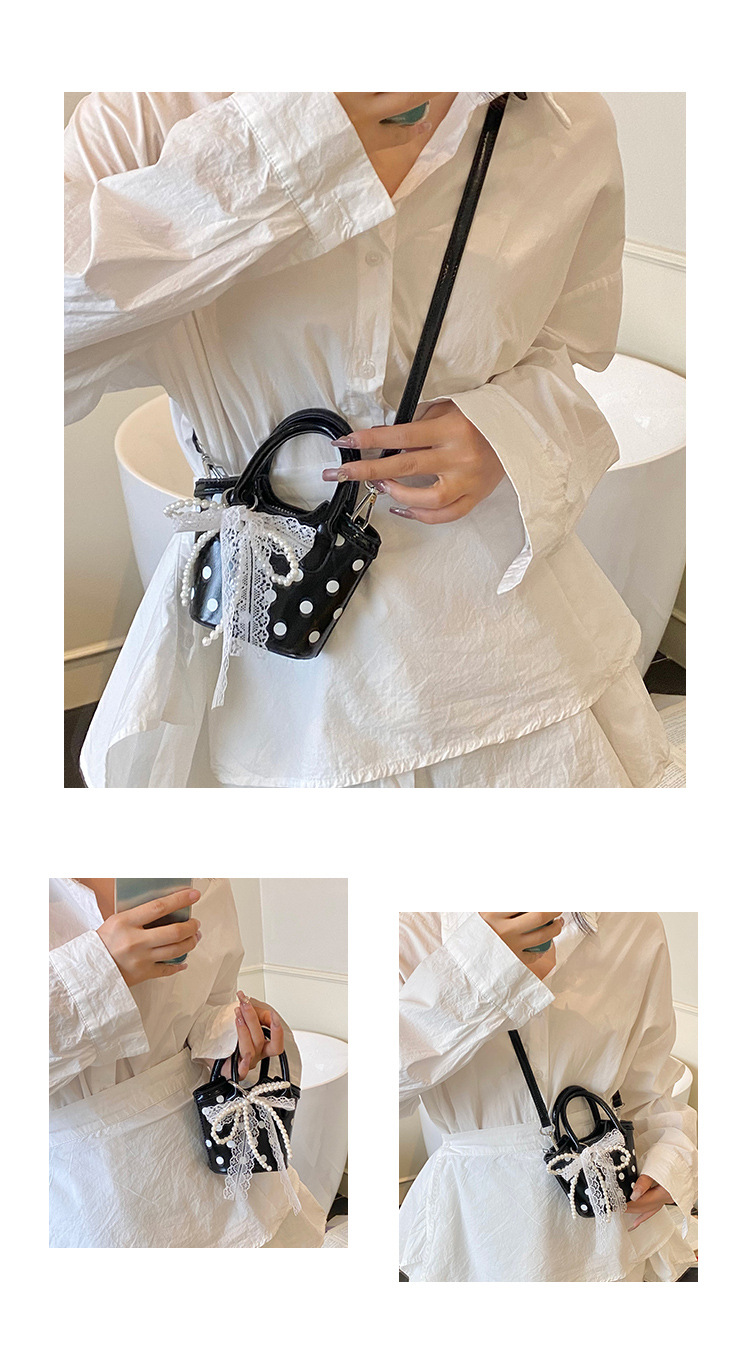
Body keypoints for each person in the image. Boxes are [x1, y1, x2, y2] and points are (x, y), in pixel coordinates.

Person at [65, 91, 670, 788]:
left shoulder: (564, 121)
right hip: (261, 653)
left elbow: (570, 348)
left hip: (508, 656)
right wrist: (287, 151)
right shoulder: (158, 102)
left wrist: (504, 426)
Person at [399, 911, 698, 1282]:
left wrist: (669, 1157)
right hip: (477, 1225)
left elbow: (646, 1084)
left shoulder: (633, 923)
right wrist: (477, 965)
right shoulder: (413, 927)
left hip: (605, 1224)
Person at [49, 877, 325, 1247]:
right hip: (92, 1204)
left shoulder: (202, 878)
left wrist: (231, 1036)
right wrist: (99, 969)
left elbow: (201, 1009)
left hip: (221, 1179)